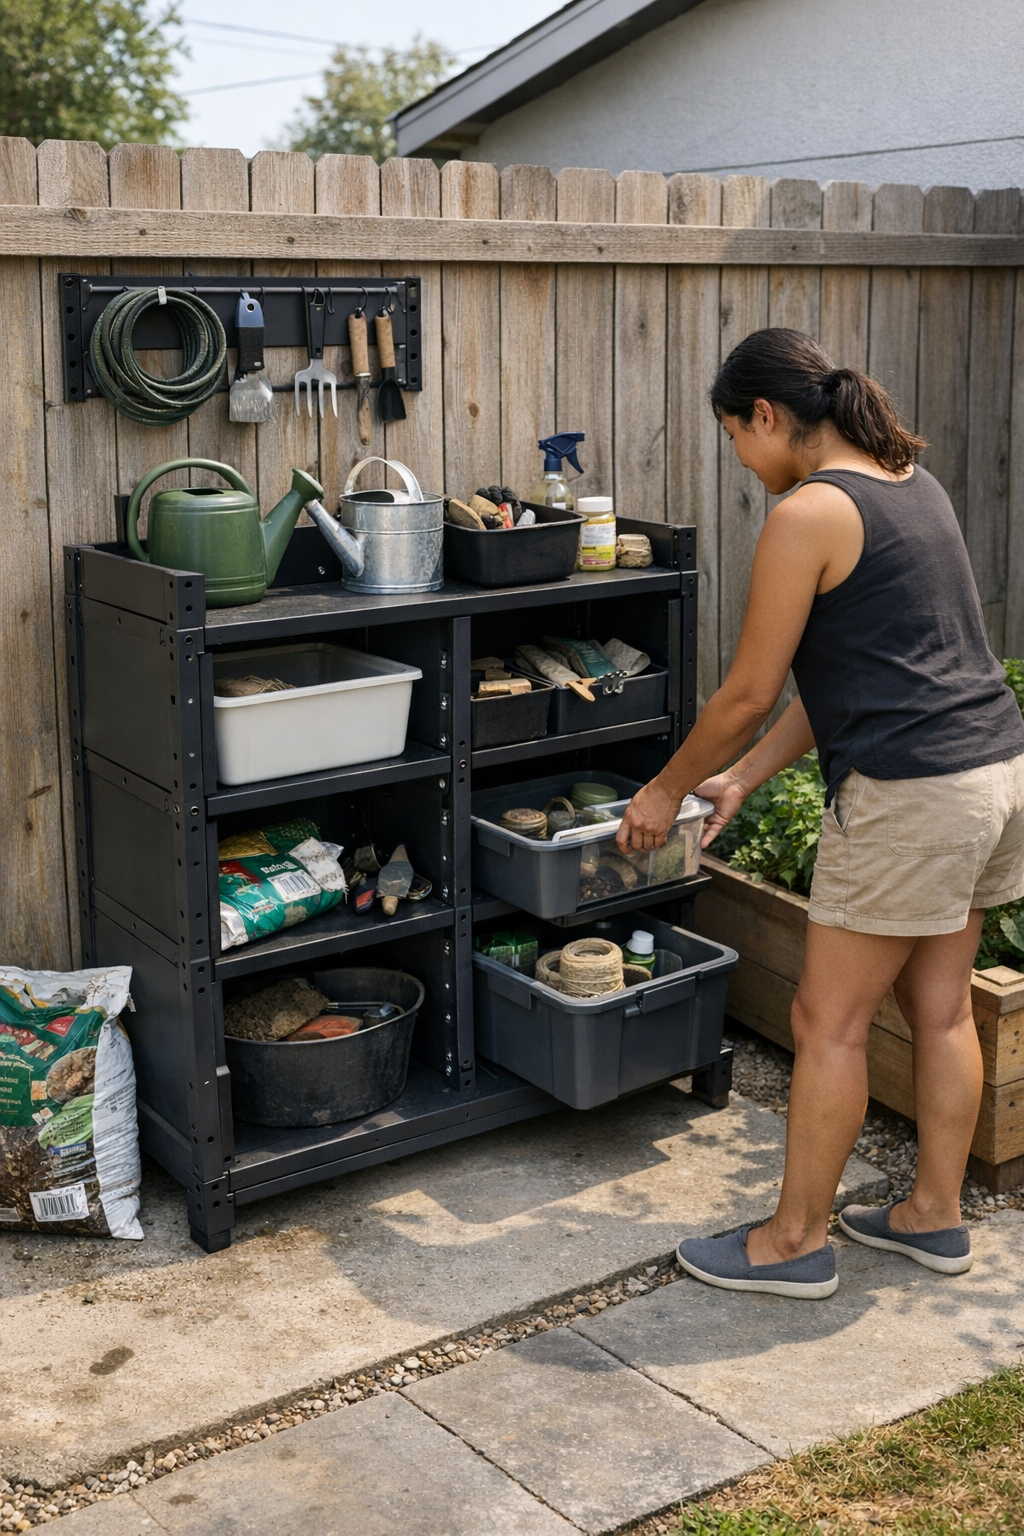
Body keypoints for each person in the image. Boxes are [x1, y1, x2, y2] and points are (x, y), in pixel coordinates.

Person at [616, 327, 1024, 1299]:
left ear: (765, 415)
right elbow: (846, 678)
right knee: (938, 1007)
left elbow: (747, 693)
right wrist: (743, 779)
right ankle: (932, 1215)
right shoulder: (910, 484)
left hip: (909, 794)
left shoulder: (808, 513)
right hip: (993, 772)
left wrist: (664, 788)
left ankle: (792, 1243)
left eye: (734, 437)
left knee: (826, 1020)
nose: (740, 460)